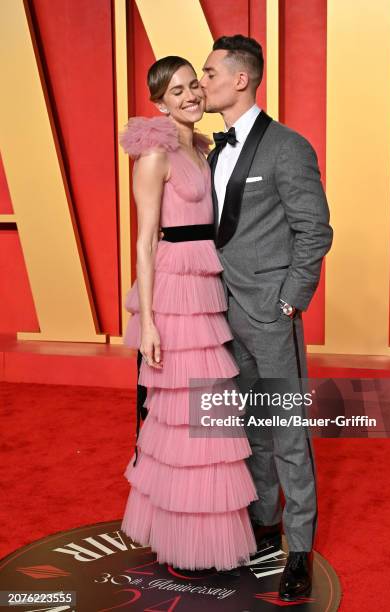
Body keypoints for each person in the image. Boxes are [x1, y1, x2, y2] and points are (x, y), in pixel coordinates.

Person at [199, 35, 333, 600]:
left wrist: (289, 301)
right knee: (248, 428)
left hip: (270, 315)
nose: (200, 83)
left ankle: (298, 549)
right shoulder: (212, 149)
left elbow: (315, 230)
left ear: (241, 80)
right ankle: (264, 524)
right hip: (219, 314)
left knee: (287, 432)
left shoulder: (287, 147)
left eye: (208, 73)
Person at [118, 56, 258, 571]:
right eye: (175, 92)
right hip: (174, 294)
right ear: (159, 104)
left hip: (205, 288)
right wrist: (149, 321)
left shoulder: (200, 148)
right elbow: (145, 243)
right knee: (185, 415)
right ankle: (184, 538)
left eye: (193, 86)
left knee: (208, 412)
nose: (190, 96)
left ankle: (204, 529)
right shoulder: (154, 156)